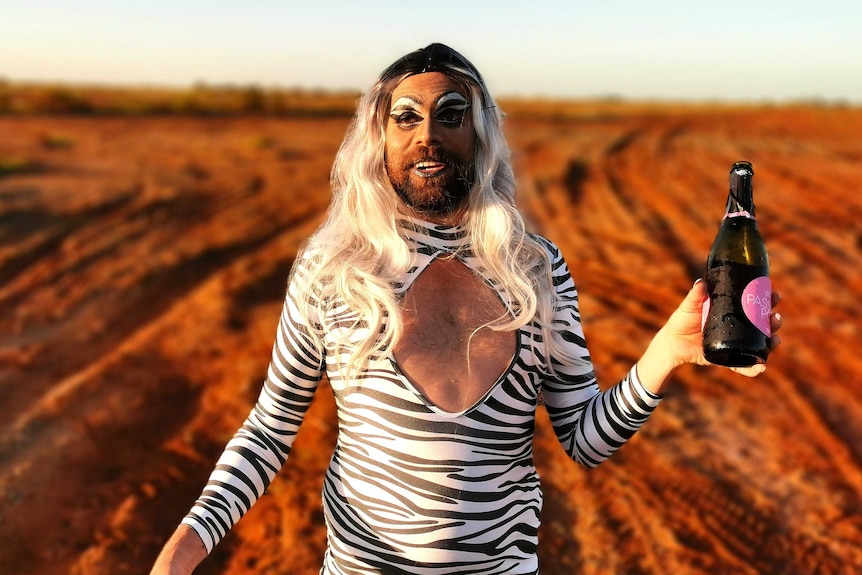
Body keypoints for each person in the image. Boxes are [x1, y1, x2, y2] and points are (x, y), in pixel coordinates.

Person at [149, 43, 782, 575]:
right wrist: (182, 550)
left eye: (451, 115)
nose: (428, 135)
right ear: (379, 137)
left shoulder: (536, 269)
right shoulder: (335, 269)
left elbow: (584, 440)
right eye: (405, 118)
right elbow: (269, 431)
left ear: (479, 135)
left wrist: (665, 353)